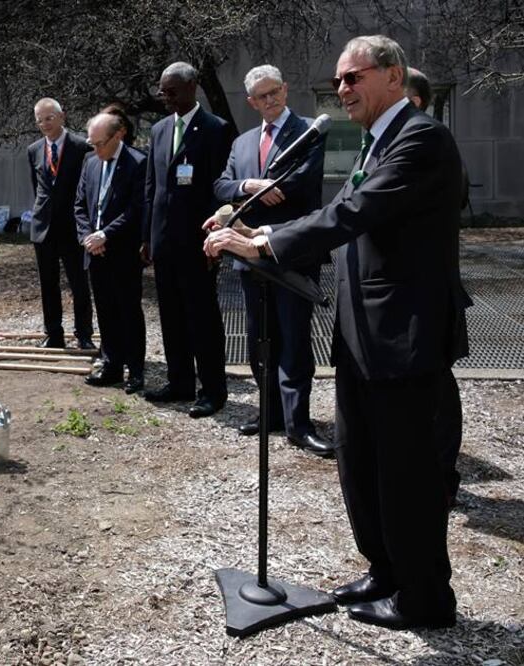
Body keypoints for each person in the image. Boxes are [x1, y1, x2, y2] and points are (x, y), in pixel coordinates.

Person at [205, 35, 468, 630]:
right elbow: (337, 215)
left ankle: (424, 597)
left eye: (355, 77)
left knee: (406, 473)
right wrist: (251, 227)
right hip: (361, 334)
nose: (343, 88)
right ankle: (385, 569)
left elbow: (352, 213)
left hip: (405, 338)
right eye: (339, 80)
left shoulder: (421, 138)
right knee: (362, 462)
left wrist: (267, 241)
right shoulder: (373, 140)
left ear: (394, 77)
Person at [212, 65, 333, 457]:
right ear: (251, 102)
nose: (271, 100)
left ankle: (299, 425)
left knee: (295, 340)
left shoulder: (310, 131)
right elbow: (221, 185)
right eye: (262, 96)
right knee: (260, 339)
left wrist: (268, 188)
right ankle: (271, 415)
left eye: (275, 92)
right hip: (250, 258)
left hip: (292, 251)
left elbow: (301, 182)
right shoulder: (243, 143)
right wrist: (251, 186)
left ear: (285, 89)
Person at [143, 62, 236, 418]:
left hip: (198, 241)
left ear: (192, 87)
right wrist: (146, 237)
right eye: (163, 92)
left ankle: (212, 389)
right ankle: (179, 381)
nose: (166, 98)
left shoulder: (216, 129)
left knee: (202, 318)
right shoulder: (160, 130)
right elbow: (152, 187)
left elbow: (219, 189)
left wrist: (216, 236)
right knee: (171, 315)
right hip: (164, 241)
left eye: (172, 91)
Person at [407, 66, 471, 507]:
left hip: (428, 292)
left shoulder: (427, 140)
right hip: (410, 293)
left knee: (438, 392)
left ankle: (442, 478)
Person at [74, 113, 147, 393]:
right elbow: (80, 205)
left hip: (122, 251)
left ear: (119, 136)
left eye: (100, 143)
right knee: (105, 310)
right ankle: (111, 363)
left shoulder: (137, 163)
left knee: (128, 310)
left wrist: (106, 234)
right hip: (94, 251)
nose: (96, 149)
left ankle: (136, 370)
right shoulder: (90, 162)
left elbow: (135, 209)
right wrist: (87, 237)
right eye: (92, 144)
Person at [27, 98, 95, 350]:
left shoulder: (81, 147)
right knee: (48, 284)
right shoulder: (34, 150)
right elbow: (38, 189)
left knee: (79, 283)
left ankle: (84, 334)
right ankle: (53, 333)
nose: (44, 124)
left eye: (49, 118)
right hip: (43, 228)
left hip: (73, 227)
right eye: (39, 120)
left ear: (61, 117)